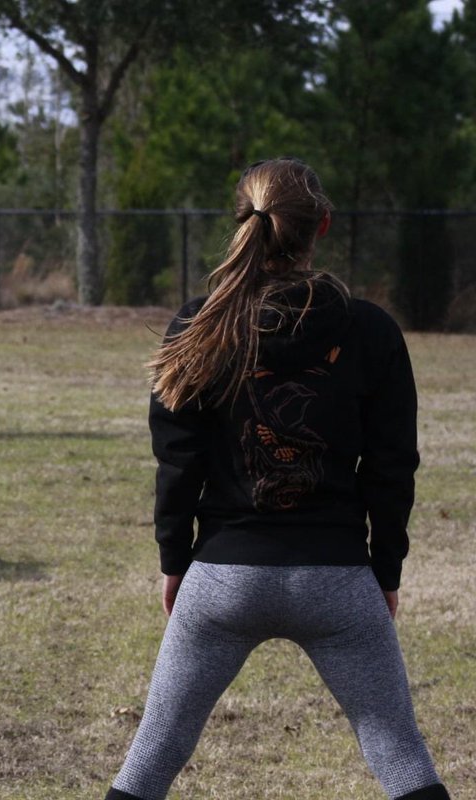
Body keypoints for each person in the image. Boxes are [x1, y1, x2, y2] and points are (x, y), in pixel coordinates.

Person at [104, 158, 450, 800]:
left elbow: (178, 459)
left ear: (244, 222)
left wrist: (174, 559)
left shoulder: (200, 324)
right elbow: (392, 465)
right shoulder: (369, 328)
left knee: (153, 756)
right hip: (339, 580)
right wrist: (386, 571)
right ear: (321, 226)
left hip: (222, 579)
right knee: (400, 756)